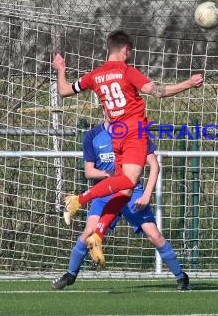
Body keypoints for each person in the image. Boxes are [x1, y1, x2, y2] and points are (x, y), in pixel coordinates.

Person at [52, 29, 203, 255]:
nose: (129, 55)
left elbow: (63, 91)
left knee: (125, 191)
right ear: (125, 50)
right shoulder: (126, 71)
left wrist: (61, 69)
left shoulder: (94, 75)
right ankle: (78, 200)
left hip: (117, 136)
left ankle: (98, 235)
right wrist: (188, 84)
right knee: (129, 180)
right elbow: (158, 92)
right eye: (129, 52)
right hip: (134, 133)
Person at [52, 119, 189, 290]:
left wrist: (147, 194)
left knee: (154, 235)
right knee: (89, 232)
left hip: (133, 193)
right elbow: (89, 171)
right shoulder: (92, 136)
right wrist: (113, 179)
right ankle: (70, 275)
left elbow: (154, 165)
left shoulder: (134, 133)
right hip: (104, 193)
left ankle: (181, 277)